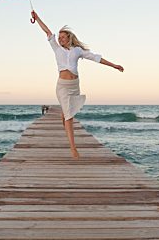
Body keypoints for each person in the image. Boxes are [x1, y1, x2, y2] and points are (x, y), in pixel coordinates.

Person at [31, 10, 124, 159]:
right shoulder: (56, 48)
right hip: (62, 86)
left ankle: (65, 116)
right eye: (59, 37)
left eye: (63, 37)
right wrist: (37, 18)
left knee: (67, 113)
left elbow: (96, 58)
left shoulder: (77, 50)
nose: (60, 39)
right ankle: (73, 149)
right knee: (69, 117)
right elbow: (47, 31)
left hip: (74, 85)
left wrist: (114, 65)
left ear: (69, 37)